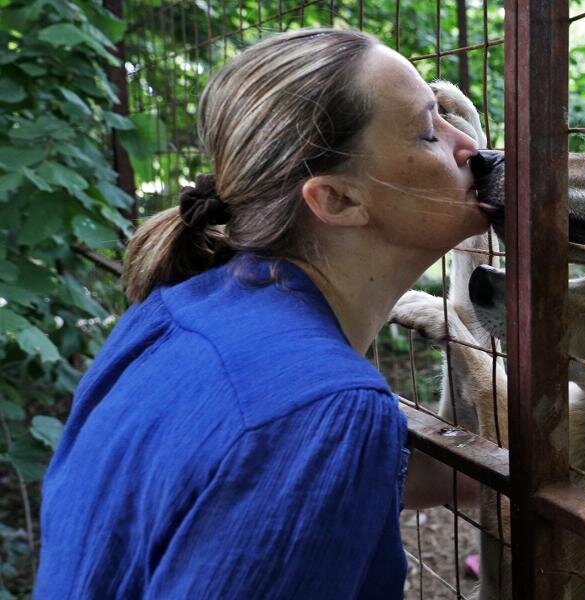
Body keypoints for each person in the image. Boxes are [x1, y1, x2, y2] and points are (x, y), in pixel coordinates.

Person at [36, 28, 485, 598]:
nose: (468, 146)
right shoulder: (329, 407)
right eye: (429, 131)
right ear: (336, 200)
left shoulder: (176, 312)